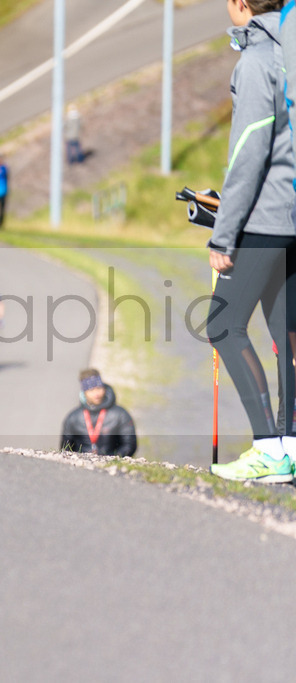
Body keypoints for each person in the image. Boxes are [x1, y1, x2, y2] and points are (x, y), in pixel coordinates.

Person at [208, 0, 296, 483]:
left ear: (242, 4)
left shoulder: (259, 59)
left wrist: (224, 232)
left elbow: (248, 152)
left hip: (265, 218)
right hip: (291, 214)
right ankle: (290, 445)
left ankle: (269, 450)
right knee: (286, 332)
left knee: (222, 324)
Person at [60, 369, 137, 457]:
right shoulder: (73, 418)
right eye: (91, 390)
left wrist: (111, 460)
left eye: (99, 388)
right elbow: (65, 449)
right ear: (84, 393)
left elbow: (130, 445)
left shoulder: (121, 415)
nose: (96, 393)